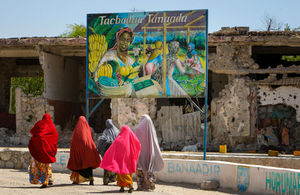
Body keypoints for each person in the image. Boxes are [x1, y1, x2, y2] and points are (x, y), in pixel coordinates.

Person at [100, 125, 141, 193]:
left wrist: (108, 155)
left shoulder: (119, 138)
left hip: (121, 159)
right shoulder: (131, 138)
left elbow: (113, 148)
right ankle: (122, 187)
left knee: (122, 172)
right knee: (127, 171)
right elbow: (138, 145)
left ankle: (130, 186)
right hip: (129, 158)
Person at [67, 116, 101, 185]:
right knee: (88, 165)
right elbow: (91, 139)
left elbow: (73, 142)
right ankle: (91, 181)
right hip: (87, 150)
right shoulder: (88, 129)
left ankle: (76, 180)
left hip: (78, 151)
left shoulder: (77, 130)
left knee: (77, 164)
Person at [28, 113, 58, 188]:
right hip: (48, 150)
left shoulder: (40, 123)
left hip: (39, 149)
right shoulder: (52, 126)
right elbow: (55, 136)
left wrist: (37, 139)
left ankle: (44, 181)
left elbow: (32, 131)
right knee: (47, 165)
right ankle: (49, 179)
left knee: (38, 164)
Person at [134, 114, 164, 191]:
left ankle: (141, 186)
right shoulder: (151, 129)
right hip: (150, 154)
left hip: (139, 154)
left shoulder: (138, 129)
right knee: (149, 169)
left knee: (140, 169)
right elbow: (155, 143)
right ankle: (149, 184)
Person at [97, 119, 120, 185]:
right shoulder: (117, 130)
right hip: (115, 152)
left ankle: (106, 180)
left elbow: (103, 139)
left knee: (107, 165)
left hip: (108, 152)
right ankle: (113, 179)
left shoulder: (106, 131)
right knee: (115, 165)